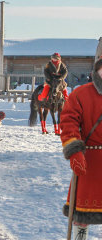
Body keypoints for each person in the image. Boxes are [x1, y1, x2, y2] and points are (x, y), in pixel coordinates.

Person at [60, 59, 102, 240]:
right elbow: (69, 122)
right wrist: (74, 151)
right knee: (81, 216)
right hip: (89, 162)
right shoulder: (80, 94)